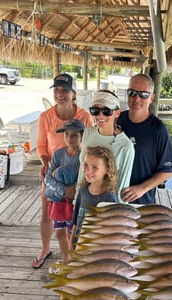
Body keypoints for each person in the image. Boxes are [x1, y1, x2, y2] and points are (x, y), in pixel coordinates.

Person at [32, 73, 94, 269]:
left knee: (75, 217)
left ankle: (72, 256)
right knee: (46, 213)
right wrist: (45, 164)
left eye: (64, 90)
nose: (60, 94)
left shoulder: (84, 116)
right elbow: (41, 146)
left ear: (73, 93)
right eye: (57, 90)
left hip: (78, 175)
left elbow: (91, 143)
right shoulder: (46, 117)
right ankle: (44, 249)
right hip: (53, 172)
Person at [117, 73, 172, 204]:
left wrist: (141, 188)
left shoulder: (159, 130)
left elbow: (167, 171)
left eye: (143, 94)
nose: (136, 99)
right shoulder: (116, 120)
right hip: (112, 197)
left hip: (141, 201)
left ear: (152, 98)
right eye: (132, 93)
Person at [76, 89, 135, 202]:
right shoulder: (88, 133)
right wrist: (76, 201)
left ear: (117, 112)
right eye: (95, 110)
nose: (100, 115)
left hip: (109, 207)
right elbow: (82, 174)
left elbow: (122, 187)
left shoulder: (126, 146)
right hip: (85, 200)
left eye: (106, 111)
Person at [44, 119, 84, 265]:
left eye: (74, 135)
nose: (69, 138)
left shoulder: (84, 156)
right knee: (60, 233)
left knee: (71, 233)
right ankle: (66, 260)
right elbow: (47, 178)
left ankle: (73, 261)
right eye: (66, 135)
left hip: (74, 203)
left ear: (82, 137)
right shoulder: (58, 154)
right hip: (59, 200)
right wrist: (64, 190)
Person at [71, 146, 118, 246]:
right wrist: (71, 246)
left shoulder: (110, 198)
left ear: (107, 170)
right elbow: (75, 223)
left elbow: (111, 232)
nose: (88, 171)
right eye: (85, 165)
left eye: (95, 168)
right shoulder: (82, 191)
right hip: (78, 248)